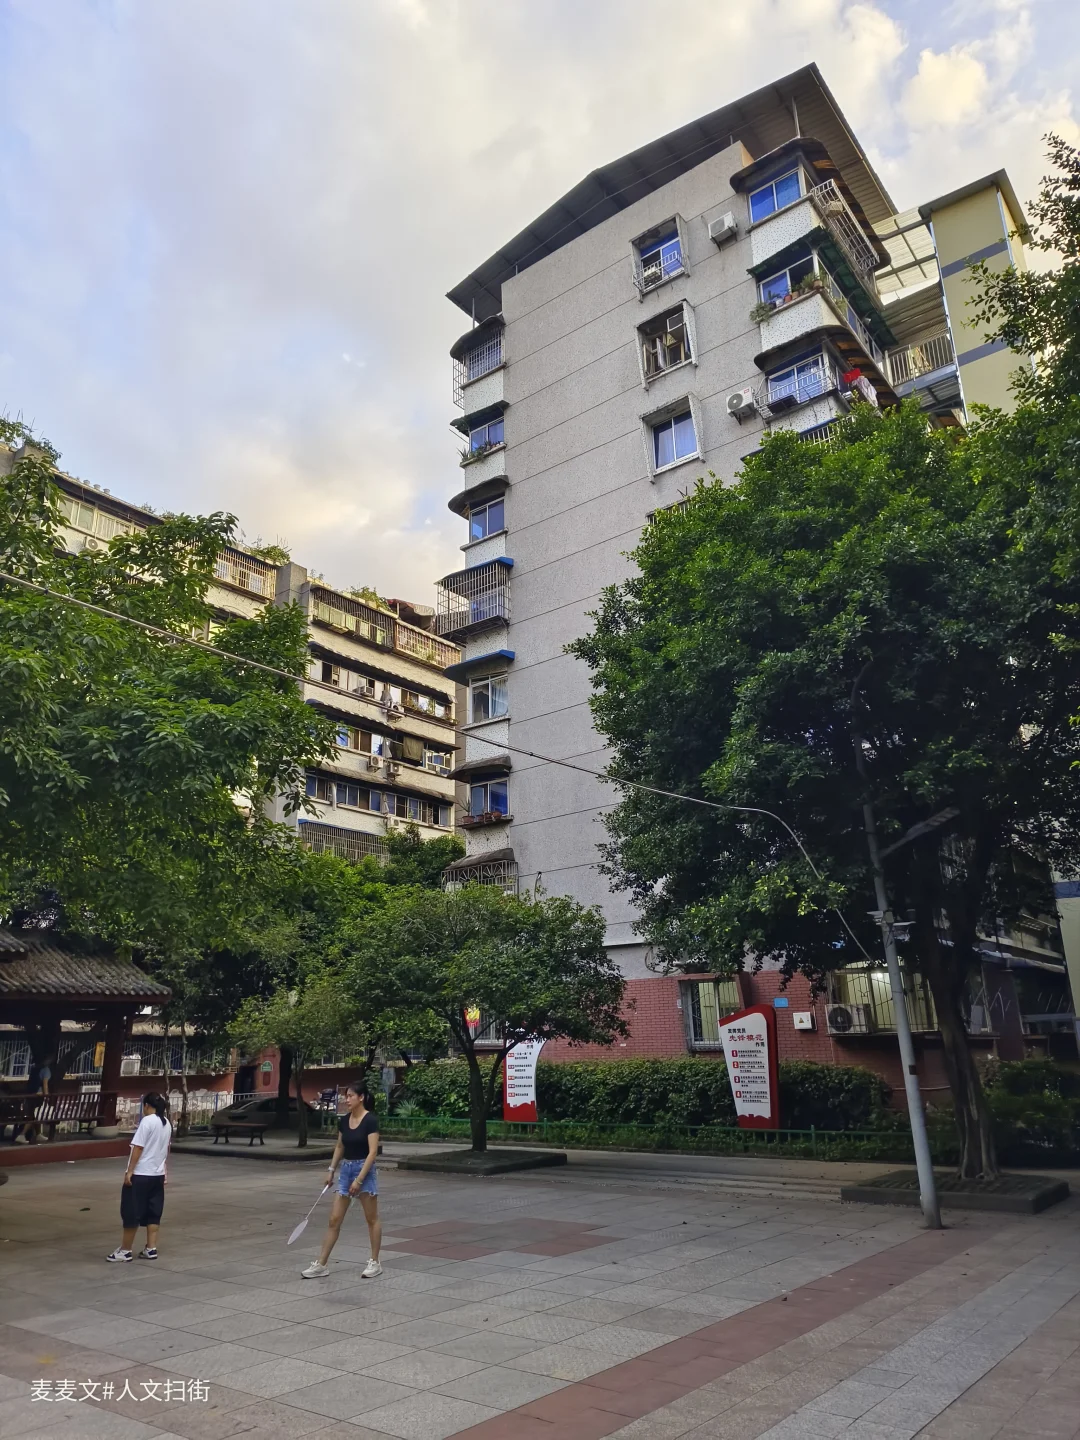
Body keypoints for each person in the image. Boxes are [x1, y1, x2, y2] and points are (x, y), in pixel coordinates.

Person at [302, 1078, 381, 1279]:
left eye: (350, 1096)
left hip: (364, 1170)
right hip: (346, 1170)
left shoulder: (370, 1120)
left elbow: (372, 1153)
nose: (347, 1099)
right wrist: (331, 1170)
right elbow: (340, 1146)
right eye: (346, 1096)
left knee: (371, 1219)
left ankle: (374, 1262)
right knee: (334, 1219)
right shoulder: (344, 1120)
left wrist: (359, 1180)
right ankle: (321, 1264)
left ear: (361, 1098)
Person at [106, 1092, 172, 1263]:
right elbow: (165, 1149)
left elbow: (138, 1147)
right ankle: (151, 1248)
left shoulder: (147, 1121)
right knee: (153, 1212)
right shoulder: (166, 1123)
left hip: (141, 1174)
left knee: (131, 1211)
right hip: (157, 1175)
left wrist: (130, 1171)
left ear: (146, 1106)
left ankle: (125, 1250)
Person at [13, 1053, 51, 1144]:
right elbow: (45, 1084)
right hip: (38, 1095)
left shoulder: (34, 1069)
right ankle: (22, 1134)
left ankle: (38, 1134)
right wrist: (47, 1096)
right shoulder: (46, 1070)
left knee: (34, 1115)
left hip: (30, 1094)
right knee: (34, 1116)